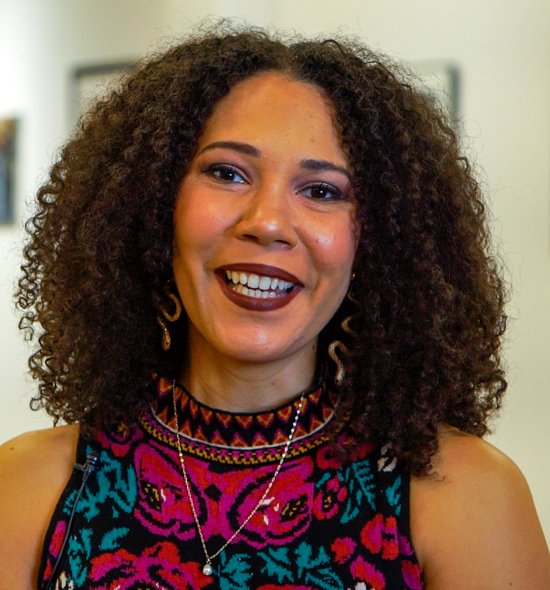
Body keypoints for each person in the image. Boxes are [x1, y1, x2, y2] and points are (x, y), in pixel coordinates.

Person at [0, 24, 548, 589]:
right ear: (155, 207)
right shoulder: (26, 488)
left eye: (322, 191)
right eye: (227, 173)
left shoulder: (465, 496)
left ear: (378, 243)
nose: (265, 223)